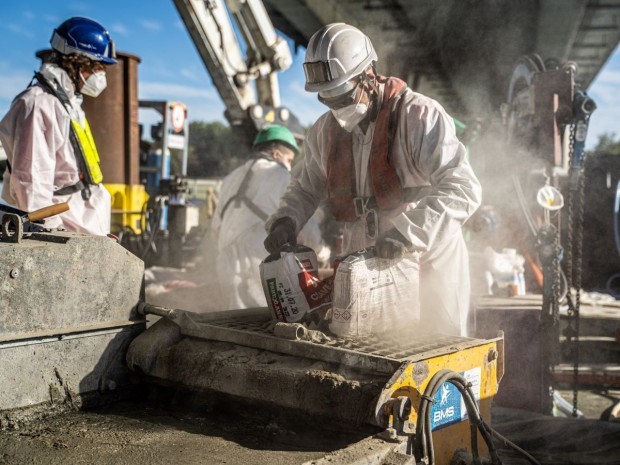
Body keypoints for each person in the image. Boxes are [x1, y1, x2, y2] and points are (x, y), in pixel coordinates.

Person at [263, 23, 482, 336]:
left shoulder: (419, 116)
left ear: (368, 74)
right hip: (367, 259)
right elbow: (304, 188)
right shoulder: (324, 132)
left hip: (426, 257)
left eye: (341, 94)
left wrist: (407, 234)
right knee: (368, 352)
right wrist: (286, 219)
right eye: (326, 98)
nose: (336, 107)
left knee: (437, 348)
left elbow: (464, 188)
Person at [0, 17, 116, 235]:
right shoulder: (38, 104)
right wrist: (51, 234)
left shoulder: (68, 105)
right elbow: (32, 182)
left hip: (84, 227)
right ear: (77, 62)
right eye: (99, 66)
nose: (102, 75)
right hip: (66, 231)